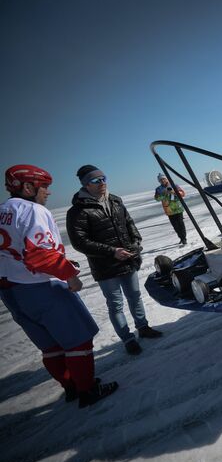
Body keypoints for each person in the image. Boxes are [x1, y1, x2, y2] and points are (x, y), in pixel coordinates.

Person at [0, 165, 118, 407]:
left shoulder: (3, 211)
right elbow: (40, 255)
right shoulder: (33, 211)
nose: (48, 192)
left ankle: (71, 387)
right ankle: (87, 391)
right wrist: (70, 275)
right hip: (40, 286)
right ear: (28, 187)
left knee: (50, 345)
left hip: (10, 291)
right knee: (78, 341)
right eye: (44, 186)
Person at [67, 165, 163, 356]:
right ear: (86, 184)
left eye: (103, 178)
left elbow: (129, 224)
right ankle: (128, 339)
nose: (101, 183)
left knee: (135, 296)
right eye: (96, 180)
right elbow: (80, 242)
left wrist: (135, 244)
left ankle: (143, 327)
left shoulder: (115, 201)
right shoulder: (78, 211)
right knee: (116, 304)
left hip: (128, 259)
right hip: (106, 266)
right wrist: (112, 252)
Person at [154, 174, 187, 245]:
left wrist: (174, 192)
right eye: (161, 180)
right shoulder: (158, 189)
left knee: (180, 224)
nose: (163, 180)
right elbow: (157, 198)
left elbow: (183, 194)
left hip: (178, 208)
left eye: (164, 179)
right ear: (159, 181)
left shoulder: (174, 185)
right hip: (169, 210)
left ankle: (184, 238)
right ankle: (181, 237)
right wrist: (164, 193)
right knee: (175, 226)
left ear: (166, 179)